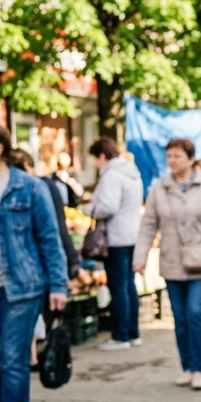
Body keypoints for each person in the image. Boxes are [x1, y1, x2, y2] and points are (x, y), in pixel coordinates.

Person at [0, 125, 68, 402]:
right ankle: (16, 399)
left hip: (21, 289)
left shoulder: (29, 187)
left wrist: (58, 284)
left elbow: (49, 238)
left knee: (15, 360)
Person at [133, 139, 201, 390]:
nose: (172, 161)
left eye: (177, 156)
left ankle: (200, 368)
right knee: (180, 317)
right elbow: (148, 225)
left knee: (195, 312)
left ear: (191, 158)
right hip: (172, 260)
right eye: (169, 156)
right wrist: (140, 257)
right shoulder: (159, 187)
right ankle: (187, 367)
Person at [84, 138, 143, 351]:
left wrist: (89, 210)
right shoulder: (132, 172)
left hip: (116, 237)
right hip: (132, 235)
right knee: (128, 285)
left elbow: (108, 206)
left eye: (94, 159)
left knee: (118, 287)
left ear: (101, 155)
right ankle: (133, 332)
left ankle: (120, 336)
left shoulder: (112, 175)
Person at [9, 150, 79, 281]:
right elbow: (59, 227)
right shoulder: (45, 185)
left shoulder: (42, 187)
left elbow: (56, 228)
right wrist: (72, 257)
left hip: (33, 264)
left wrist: (71, 257)